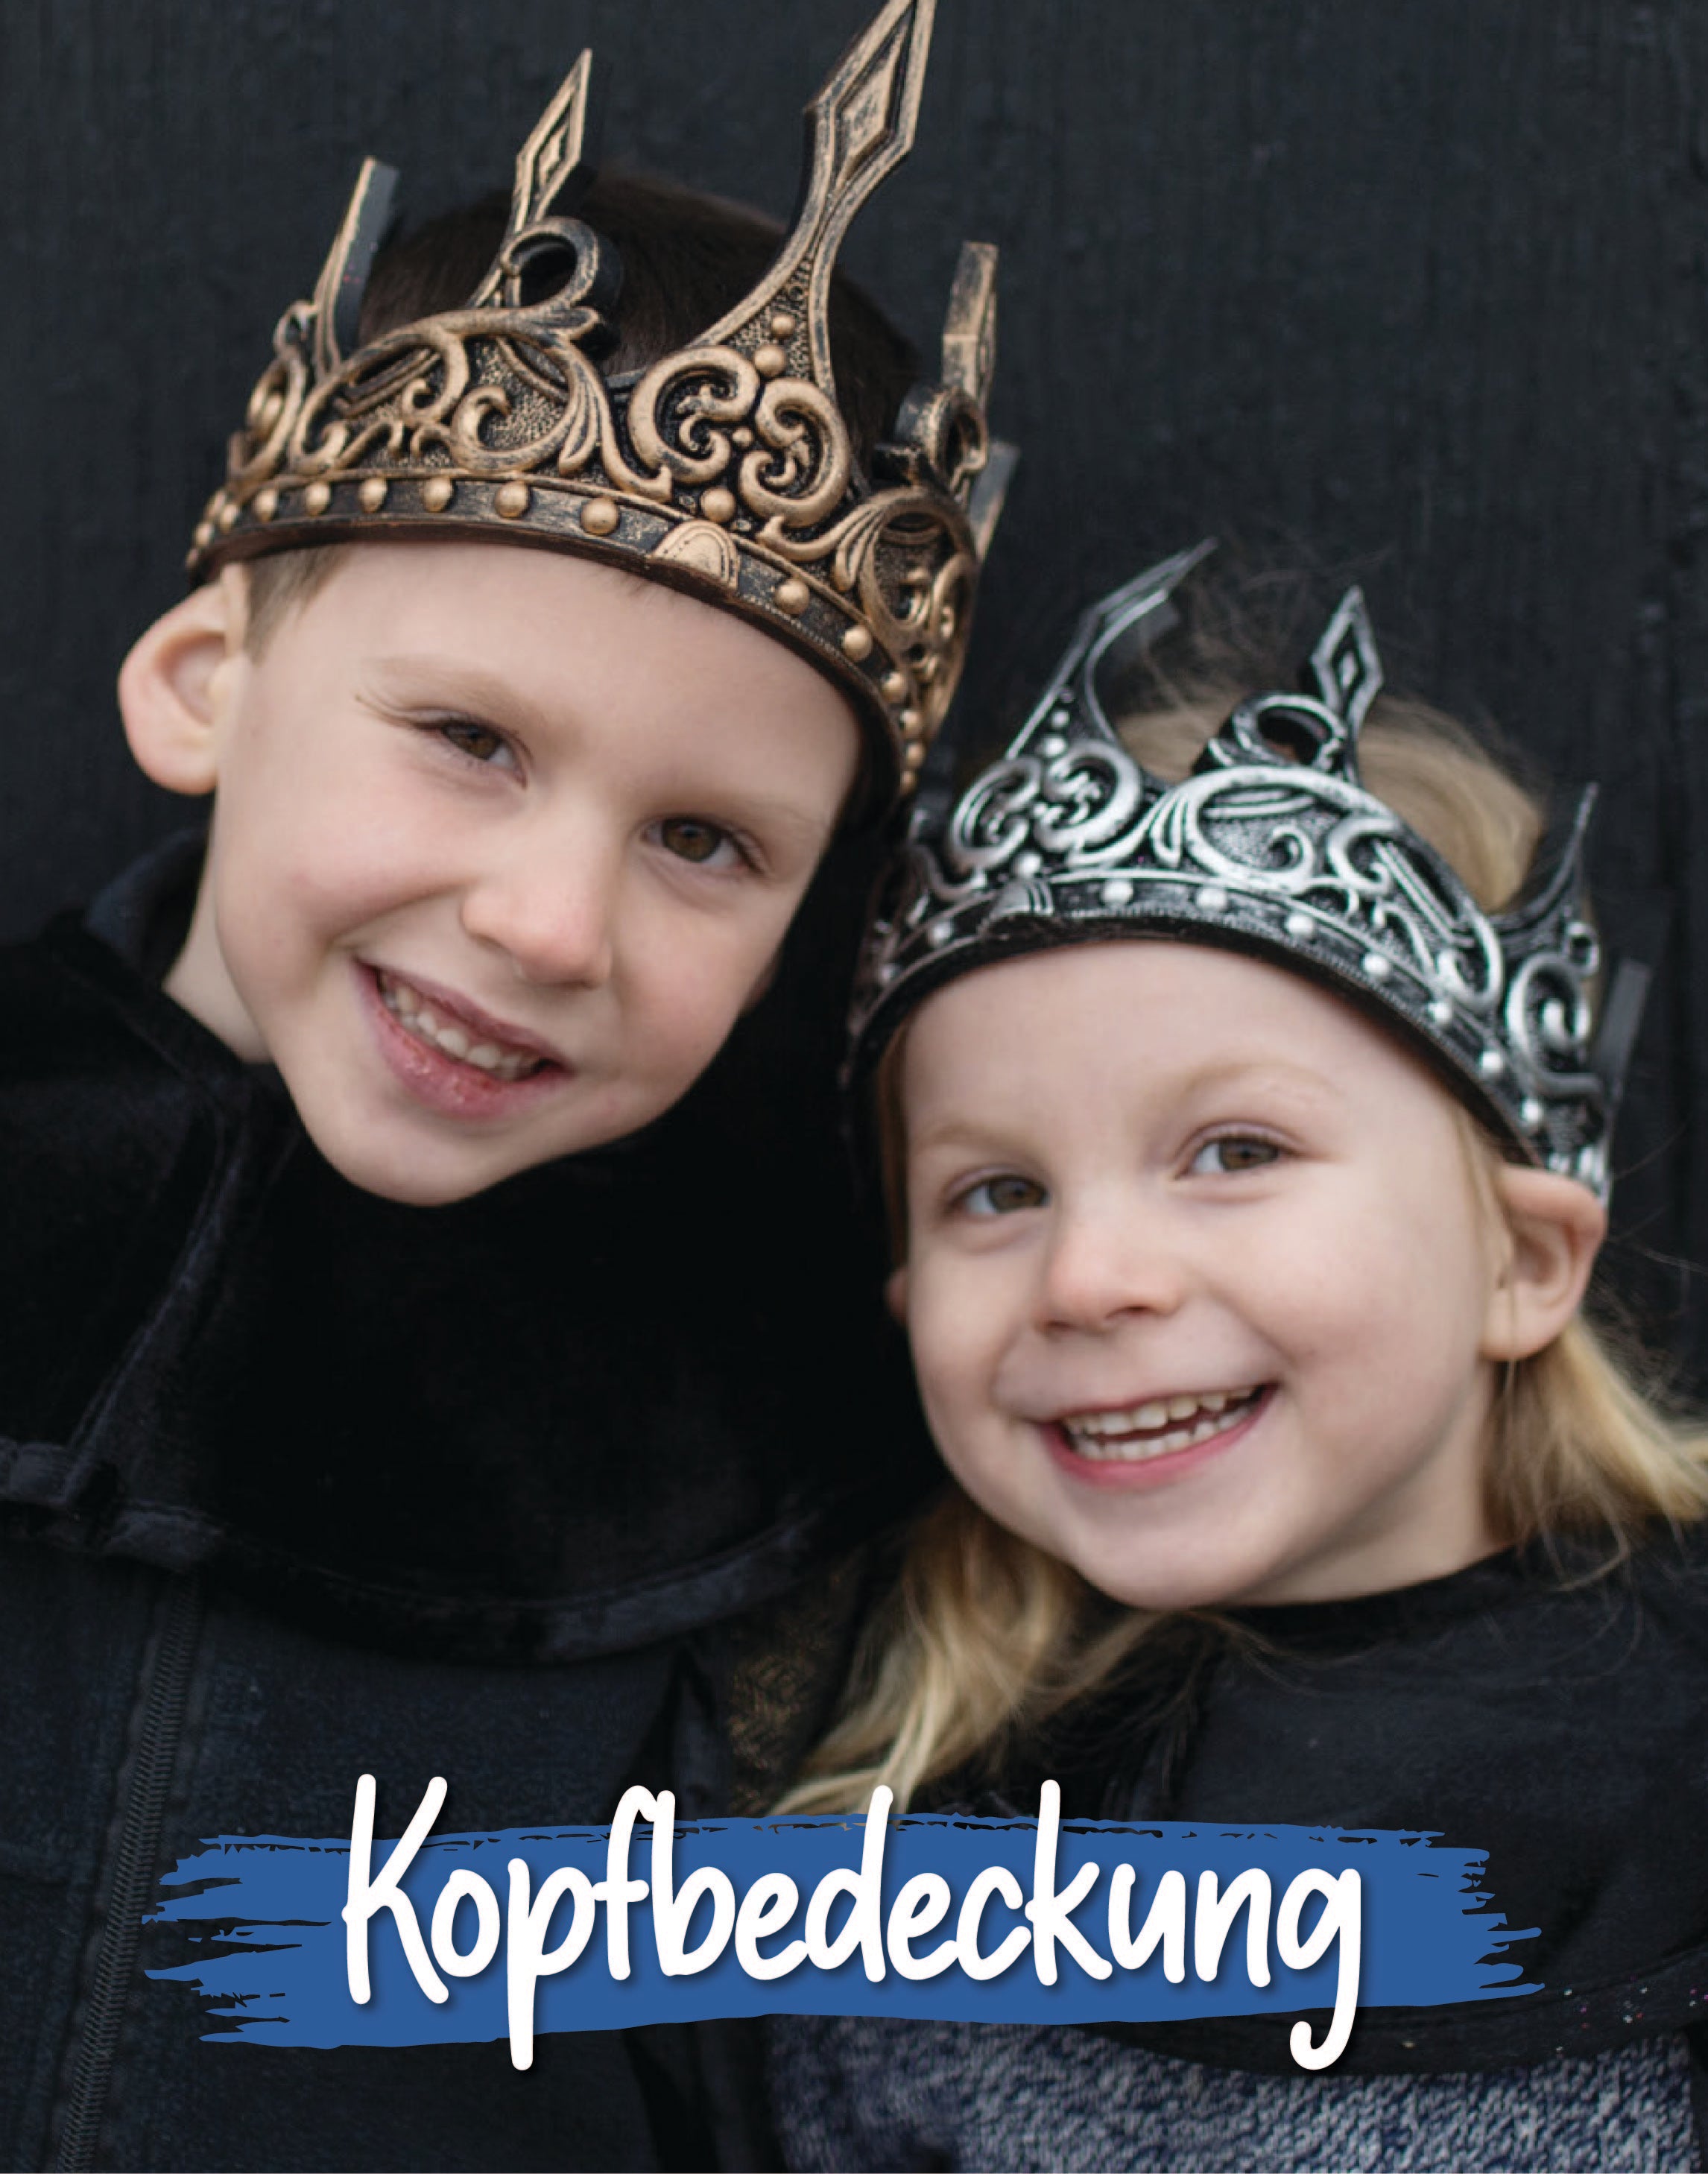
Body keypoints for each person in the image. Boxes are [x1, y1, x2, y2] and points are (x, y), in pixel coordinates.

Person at [0, 7, 1010, 2168]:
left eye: (704, 841)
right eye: (471, 738)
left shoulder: (782, 1459)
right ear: (205, 683)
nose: (552, 923)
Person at [770, 550, 1708, 2172]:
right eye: (997, 1191)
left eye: (1236, 1151)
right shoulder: (884, 1830)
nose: (1092, 1278)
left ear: (1523, 1259)